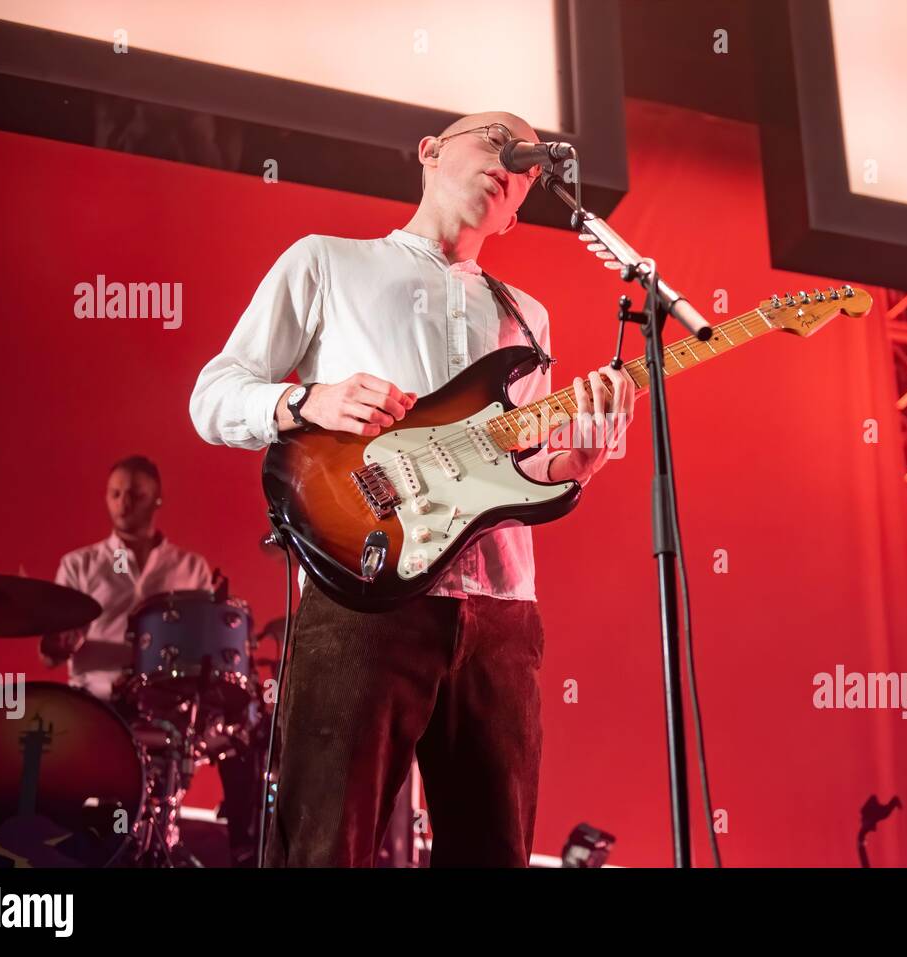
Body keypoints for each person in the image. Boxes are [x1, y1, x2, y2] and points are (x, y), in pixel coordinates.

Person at [189, 110, 636, 867]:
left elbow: (518, 471)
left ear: (522, 207)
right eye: (496, 138)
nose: (513, 160)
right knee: (327, 845)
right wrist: (308, 402)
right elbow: (212, 394)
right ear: (429, 153)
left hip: (500, 610)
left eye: (526, 166)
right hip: (362, 589)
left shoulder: (528, 317)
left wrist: (575, 468)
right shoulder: (326, 262)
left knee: (495, 850)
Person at [40, 455, 259, 866]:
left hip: (164, 707)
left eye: (136, 495)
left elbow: (203, 649)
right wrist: (60, 644)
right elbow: (51, 653)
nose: (124, 504)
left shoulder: (189, 567)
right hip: (95, 704)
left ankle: (243, 850)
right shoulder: (79, 565)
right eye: (116, 494)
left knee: (243, 732)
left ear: (157, 499)